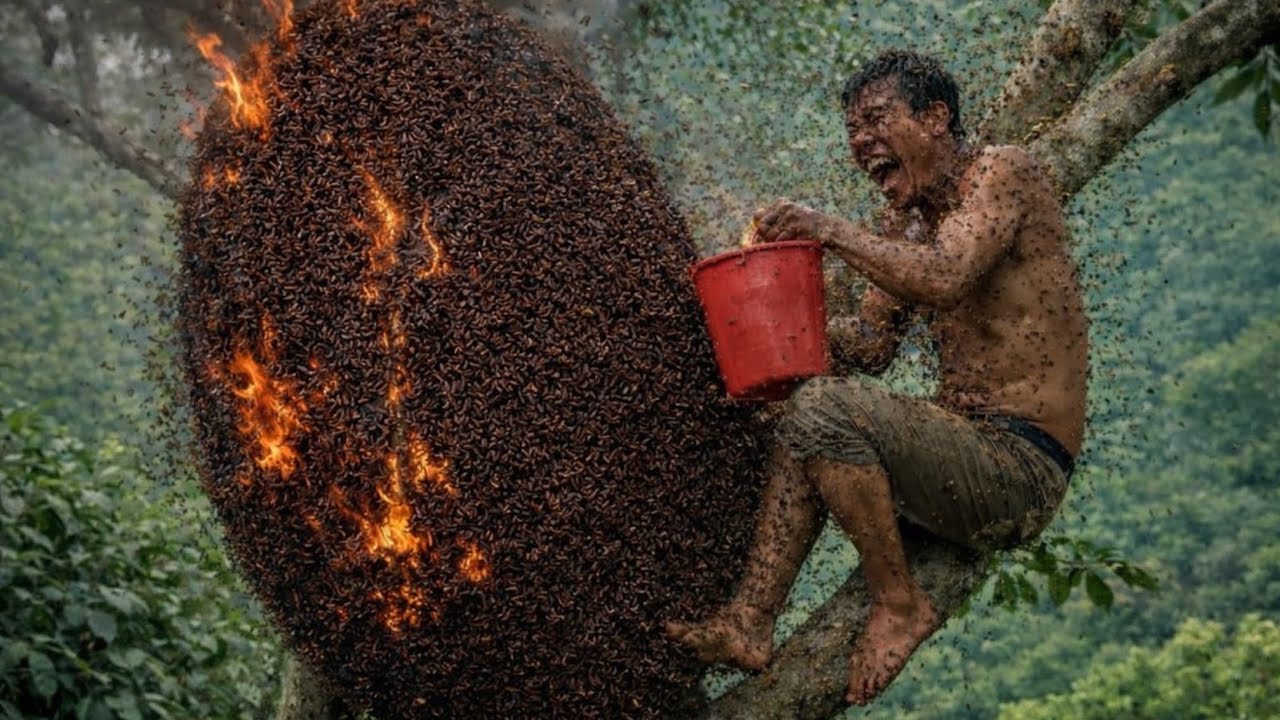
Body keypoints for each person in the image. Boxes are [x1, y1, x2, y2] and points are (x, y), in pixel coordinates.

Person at [666, 49, 1087, 705]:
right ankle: (749, 621)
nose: (862, 142)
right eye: (853, 131)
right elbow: (867, 345)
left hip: (1020, 467)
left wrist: (829, 230)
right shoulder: (909, 224)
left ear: (937, 116)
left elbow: (948, 279)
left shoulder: (1002, 174)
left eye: (876, 119)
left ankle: (899, 604)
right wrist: (760, 338)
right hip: (958, 448)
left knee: (822, 410)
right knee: (798, 405)